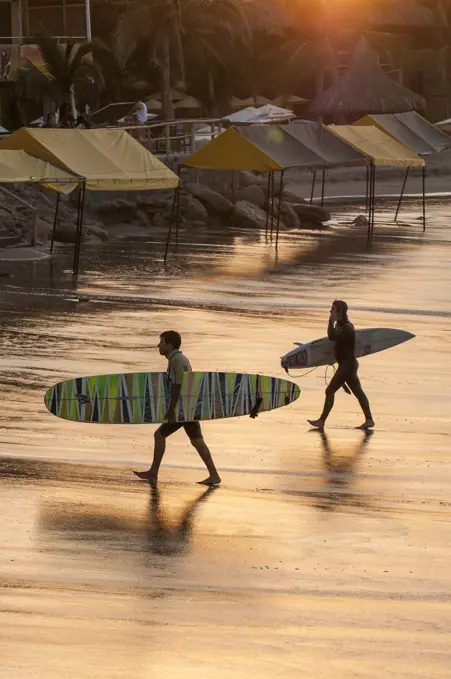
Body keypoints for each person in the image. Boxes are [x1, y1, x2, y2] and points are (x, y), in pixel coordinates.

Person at [134, 331, 221, 486]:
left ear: (170, 344)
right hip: (189, 407)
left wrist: (171, 410)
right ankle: (214, 475)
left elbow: (177, 385)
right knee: (197, 441)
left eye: (161, 342)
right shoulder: (178, 358)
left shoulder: (176, 360)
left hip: (182, 409)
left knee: (159, 435)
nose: (158, 345)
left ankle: (153, 472)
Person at [308, 300, 374, 431]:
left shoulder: (346, 328)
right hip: (347, 364)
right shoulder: (341, 325)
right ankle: (369, 420)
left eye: (332, 310)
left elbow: (332, 337)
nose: (330, 312)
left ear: (340, 312)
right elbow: (338, 345)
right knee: (358, 392)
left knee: (330, 391)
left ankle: (321, 421)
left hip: (347, 365)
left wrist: (329, 322)